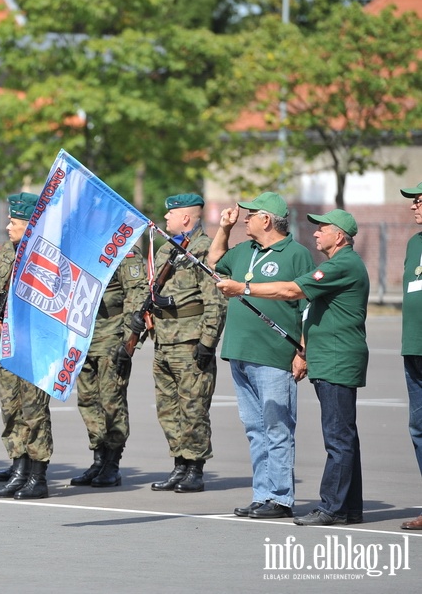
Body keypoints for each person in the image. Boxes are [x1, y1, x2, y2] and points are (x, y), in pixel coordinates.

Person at [216, 208, 369, 526]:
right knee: (340, 437)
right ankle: (347, 507)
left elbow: (292, 292)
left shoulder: (342, 264)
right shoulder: (336, 263)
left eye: (322, 229)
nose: (315, 233)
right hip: (328, 358)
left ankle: (331, 507)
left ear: (338, 236)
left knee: (337, 437)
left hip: (336, 357)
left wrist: (243, 288)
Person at [207, 191, 314, 519]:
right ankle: (263, 494)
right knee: (255, 428)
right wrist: (224, 229)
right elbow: (214, 261)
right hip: (239, 351)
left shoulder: (296, 254)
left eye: (251, 214)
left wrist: (303, 352)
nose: (245, 218)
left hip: (274, 354)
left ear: (266, 219)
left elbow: (308, 307)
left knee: (277, 427)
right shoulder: (244, 250)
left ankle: (281, 498)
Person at [146, 193, 226, 493]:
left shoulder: (205, 250)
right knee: (168, 408)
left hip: (190, 341)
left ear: (187, 217)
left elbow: (215, 300)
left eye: (171, 213)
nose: (166, 218)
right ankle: (179, 464)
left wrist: (207, 342)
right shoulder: (167, 249)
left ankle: (195, 467)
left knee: (193, 408)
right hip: (164, 340)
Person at [0, 192, 54, 499]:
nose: (8, 226)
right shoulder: (7, 254)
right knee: (11, 409)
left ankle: (37, 475)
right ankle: (19, 468)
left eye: (14, 221)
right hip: (7, 343)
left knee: (34, 410)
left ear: (30, 224)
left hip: (35, 344)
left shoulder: (46, 257)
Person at [70, 243, 146, 488]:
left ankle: (112, 463)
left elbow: (136, 294)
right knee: (88, 400)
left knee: (111, 400)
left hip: (111, 333)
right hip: (82, 334)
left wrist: (127, 340)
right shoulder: (82, 245)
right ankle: (98, 459)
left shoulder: (124, 250)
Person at [397, 181, 422, 531]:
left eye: (419, 201)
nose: (414, 206)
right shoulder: (414, 243)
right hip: (413, 348)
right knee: (418, 429)